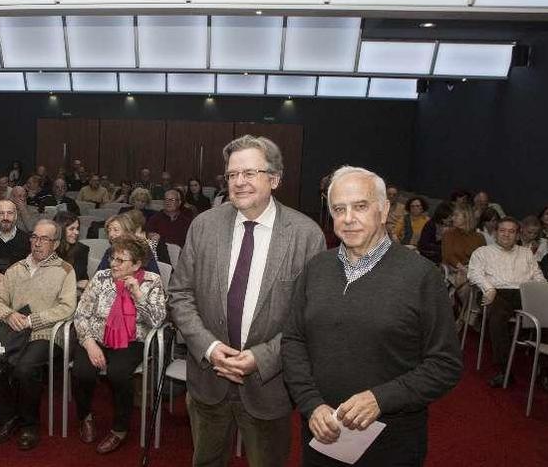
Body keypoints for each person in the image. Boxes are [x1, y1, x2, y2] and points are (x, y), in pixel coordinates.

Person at [281, 166, 462, 466]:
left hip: (392, 444)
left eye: (360, 206)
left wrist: (381, 399)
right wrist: (311, 404)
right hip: (321, 433)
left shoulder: (421, 276)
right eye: (339, 209)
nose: (348, 218)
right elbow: (293, 341)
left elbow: (445, 365)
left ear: (384, 210)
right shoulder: (316, 269)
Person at [167, 135, 325, 466]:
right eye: (232, 174)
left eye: (250, 172)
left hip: (269, 385)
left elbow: (311, 318)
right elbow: (180, 294)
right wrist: (210, 348)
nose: (239, 182)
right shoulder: (203, 226)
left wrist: (262, 357)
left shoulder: (306, 235)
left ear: (275, 179)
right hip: (209, 380)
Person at [0, 219, 77, 450]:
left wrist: (33, 320)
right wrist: (8, 315)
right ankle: (7, 417)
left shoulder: (65, 270)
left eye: (45, 239)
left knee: (25, 369)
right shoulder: (15, 269)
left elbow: (67, 308)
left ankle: (29, 425)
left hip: (46, 334)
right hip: (12, 332)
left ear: (55, 244)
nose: (37, 243)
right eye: (34, 237)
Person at [72, 235, 166, 454]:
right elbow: (81, 314)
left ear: (136, 264)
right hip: (95, 337)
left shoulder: (152, 281)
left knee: (118, 373)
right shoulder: (101, 278)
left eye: (120, 260)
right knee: (81, 371)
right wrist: (89, 343)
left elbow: (157, 321)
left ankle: (120, 428)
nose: (113, 264)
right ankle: (85, 416)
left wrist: (138, 295)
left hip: (131, 340)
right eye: (112, 258)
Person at [468, 217, 545, 388]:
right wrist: (488, 288)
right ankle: (504, 370)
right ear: (496, 233)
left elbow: (538, 276)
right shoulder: (482, 252)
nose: (506, 234)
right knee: (497, 317)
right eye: (502, 230)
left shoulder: (526, 253)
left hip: (524, 292)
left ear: (518, 235)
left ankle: (545, 372)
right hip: (498, 292)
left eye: (511, 231)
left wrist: (540, 293)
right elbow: (474, 274)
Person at [441, 203, 485, 297]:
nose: (453, 218)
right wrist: (464, 269)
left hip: (473, 270)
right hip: (454, 270)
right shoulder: (448, 234)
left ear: (466, 217)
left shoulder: (479, 237)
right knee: (466, 286)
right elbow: (448, 256)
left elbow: (483, 258)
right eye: (453, 215)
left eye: (456, 215)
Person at [97, 212, 161, 274]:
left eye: (116, 230)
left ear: (128, 232)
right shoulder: (110, 251)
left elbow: (154, 278)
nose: (111, 234)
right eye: (109, 231)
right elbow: (99, 274)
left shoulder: (143, 251)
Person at [54, 211, 89, 290]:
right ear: (60, 229)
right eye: (71, 229)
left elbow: (80, 277)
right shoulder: (49, 248)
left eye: (77, 228)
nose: (76, 232)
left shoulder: (82, 250)